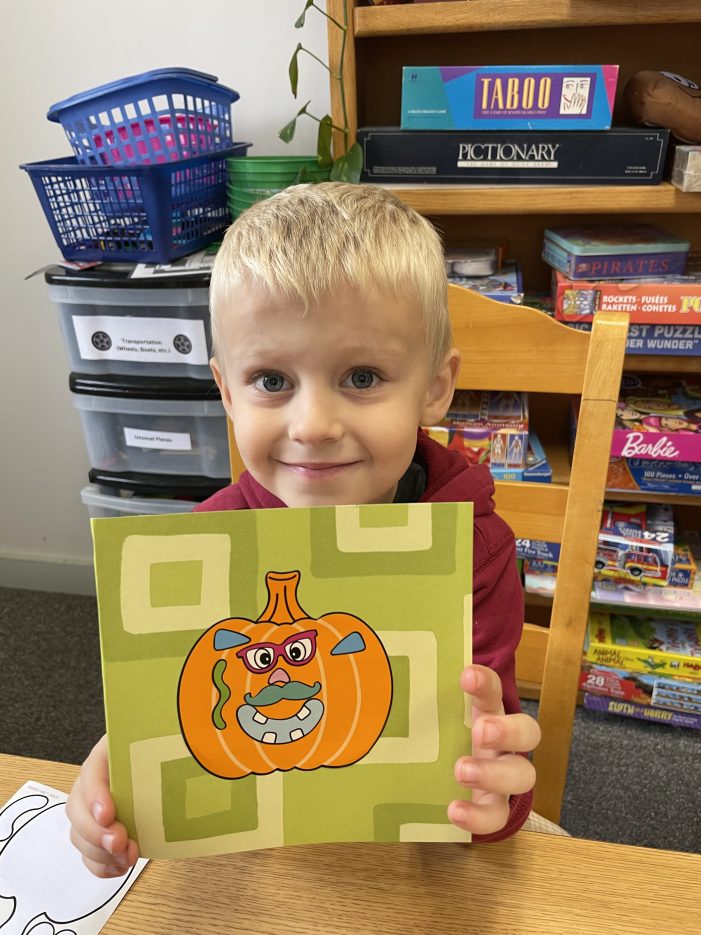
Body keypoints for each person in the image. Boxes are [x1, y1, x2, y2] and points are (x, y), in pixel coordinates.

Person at [66, 182, 541, 878]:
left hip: (415, 863)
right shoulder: (203, 551)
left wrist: (497, 787)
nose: (313, 425)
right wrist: (112, 790)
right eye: (269, 380)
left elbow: (494, 782)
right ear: (226, 392)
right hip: (264, 864)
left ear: (435, 388)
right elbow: (177, 730)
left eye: (361, 375)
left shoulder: (474, 549)